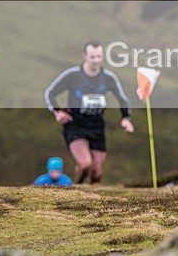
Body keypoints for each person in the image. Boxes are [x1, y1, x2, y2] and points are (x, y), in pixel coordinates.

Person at [44, 41, 134, 184]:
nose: (96, 61)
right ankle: (75, 191)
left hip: (96, 126)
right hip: (75, 125)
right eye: (92, 57)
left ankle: (93, 199)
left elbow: (122, 99)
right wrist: (57, 112)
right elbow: (50, 93)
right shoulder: (73, 75)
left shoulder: (108, 78)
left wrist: (126, 118)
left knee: (97, 172)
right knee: (86, 165)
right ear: (85, 56)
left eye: (99, 57)